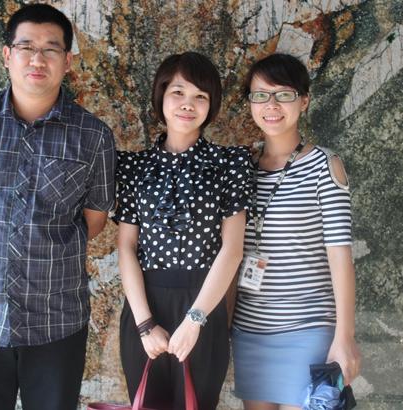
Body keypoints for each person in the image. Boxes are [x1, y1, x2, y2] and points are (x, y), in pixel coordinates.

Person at [0, 4, 116, 410]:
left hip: (56, 318)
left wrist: (38, 243)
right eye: (26, 46)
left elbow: (95, 219)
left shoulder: (93, 136)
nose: (37, 59)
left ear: (67, 61)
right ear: (7, 54)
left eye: (51, 49)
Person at [114, 51, 254, 410]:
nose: (188, 104)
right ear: (161, 95)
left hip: (203, 305)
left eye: (200, 96)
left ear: (211, 105)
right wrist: (145, 324)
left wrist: (195, 320)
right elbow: (126, 247)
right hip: (145, 306)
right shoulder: (134, 166)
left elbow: (232, 250)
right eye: (178, 92)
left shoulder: (230, 163)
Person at [231, 53, 362, 410]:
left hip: (310, 330)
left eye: (284, 95)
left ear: (304, 101)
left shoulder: (325, 165)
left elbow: (340, 256)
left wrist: (345, 337)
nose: (271, 105)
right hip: (250, 332)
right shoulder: (241, 169)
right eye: (260, 95)